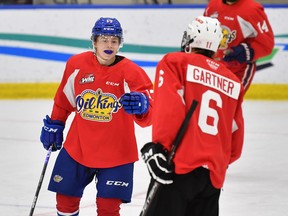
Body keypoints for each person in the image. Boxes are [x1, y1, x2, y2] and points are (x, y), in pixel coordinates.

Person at [40, 17, 153, 216]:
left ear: (120, 44)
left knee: (108, 208)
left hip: (117, 153)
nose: (109, 45)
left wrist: (143, 106)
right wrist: (56, 124)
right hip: (79, 147)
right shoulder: (76, 65)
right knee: (65, 201)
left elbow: (150, 113)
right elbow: (64, 101)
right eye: (104, 39)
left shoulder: (132, 72)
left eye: (114, 41)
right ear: (94, 42)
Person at [140, 16, 244, 216]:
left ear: (191, 39)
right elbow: (235, 144)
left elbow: (169, 110)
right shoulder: (233, 82)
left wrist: (159, 149)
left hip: (177, 168)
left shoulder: (175, 62)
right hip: (213, 179)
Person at [202, 0, 274, 94]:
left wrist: (243, 51)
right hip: (213, 67)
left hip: (239, 70)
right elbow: (204, 32)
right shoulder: (213, 5)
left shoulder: (252, 9)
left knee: (229, 104)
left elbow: (266, 44)